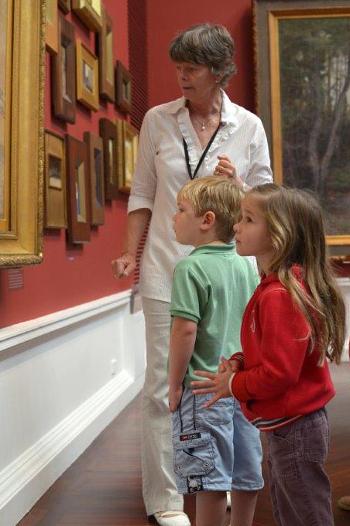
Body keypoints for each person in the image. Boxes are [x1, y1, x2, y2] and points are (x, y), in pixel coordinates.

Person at [111, 23, 272, 526]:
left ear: (220, 72)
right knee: (165, 384)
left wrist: (238, 183)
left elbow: (266, 200)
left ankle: (218, 480)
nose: (180, 74)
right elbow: (141, 194)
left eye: (192, 67)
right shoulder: (158, 121)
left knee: (225, 378)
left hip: (230, 273)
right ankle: (166, 500)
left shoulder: (249, 126)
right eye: (178, 65)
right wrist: (129, 254)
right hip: (166, 266)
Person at [192, 184, 346, 526]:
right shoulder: (274, 287)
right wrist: (241, 362)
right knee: (290, 507)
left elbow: (279, 374)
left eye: (248, 219)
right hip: (289, 426)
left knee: (305, 512)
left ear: (279, 235)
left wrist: (234, 384)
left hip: (296, 429)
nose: (236, 226)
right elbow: (272, 353)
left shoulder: (278, 295)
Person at [168, 176, 263, 526]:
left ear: (207, 221)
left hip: (204, 389)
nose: (173, 217)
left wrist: (174, 383)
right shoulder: (247, 264)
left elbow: (185, 330)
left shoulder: (190, 267)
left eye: (181, 210)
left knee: (208, 481)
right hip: (243, 386)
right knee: (246, 471)